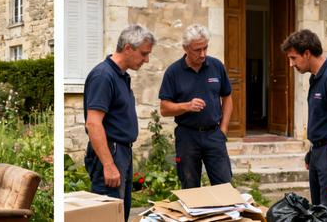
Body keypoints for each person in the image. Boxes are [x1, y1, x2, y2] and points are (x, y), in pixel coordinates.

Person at [83, 24, 155, 222]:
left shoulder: (121, 76)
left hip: (122, 151)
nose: (146, 60)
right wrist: (108, 165)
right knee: (108, 216)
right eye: (144, 54)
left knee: (120, 214)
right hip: (111, 152)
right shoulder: (103, 76)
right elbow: (93, 123)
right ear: (128, 48)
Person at [281, 29, 327, 222]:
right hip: (318, 153)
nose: (291, 64)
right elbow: (323, 120)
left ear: (307, 53)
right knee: (318, 215)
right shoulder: (316, 77)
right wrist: (312, 152)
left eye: (293, 58)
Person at [159, 24, 234, 188]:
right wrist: (186, 106)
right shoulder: (173, 72)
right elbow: (164, 109)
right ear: (185, 48)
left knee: (224, 186)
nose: (203, 54)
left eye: (205, 48)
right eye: (197, 50)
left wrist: (223, 129)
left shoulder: (216, 66)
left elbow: (227, 97)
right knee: (190, 187)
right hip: (187, 137)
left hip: (214, 135)